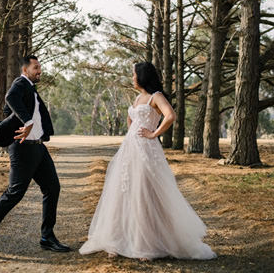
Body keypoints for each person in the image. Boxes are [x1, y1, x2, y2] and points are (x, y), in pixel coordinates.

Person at [79, 61, 216, 260]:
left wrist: (154, 134)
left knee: (144, 193)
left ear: (142, 76)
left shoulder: (156, 96)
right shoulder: (137, 97)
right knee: (123, 193)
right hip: (129, 150)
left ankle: (146, 245)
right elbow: (131, 121)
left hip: (146, 150)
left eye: (134, 74)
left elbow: (170, 116)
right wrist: (132, 132)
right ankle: (120, 240)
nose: (132, 78)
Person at [0, 55, 71, 258]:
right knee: (14, 193)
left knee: (52, 188)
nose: (39, 71)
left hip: (38, 147)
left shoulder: (30, 88)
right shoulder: (20, 83)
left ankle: (47, 237)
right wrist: (27, 121)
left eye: (40, 67)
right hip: (23, 147)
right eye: (36, 67)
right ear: (25, 70)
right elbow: (10, 98)